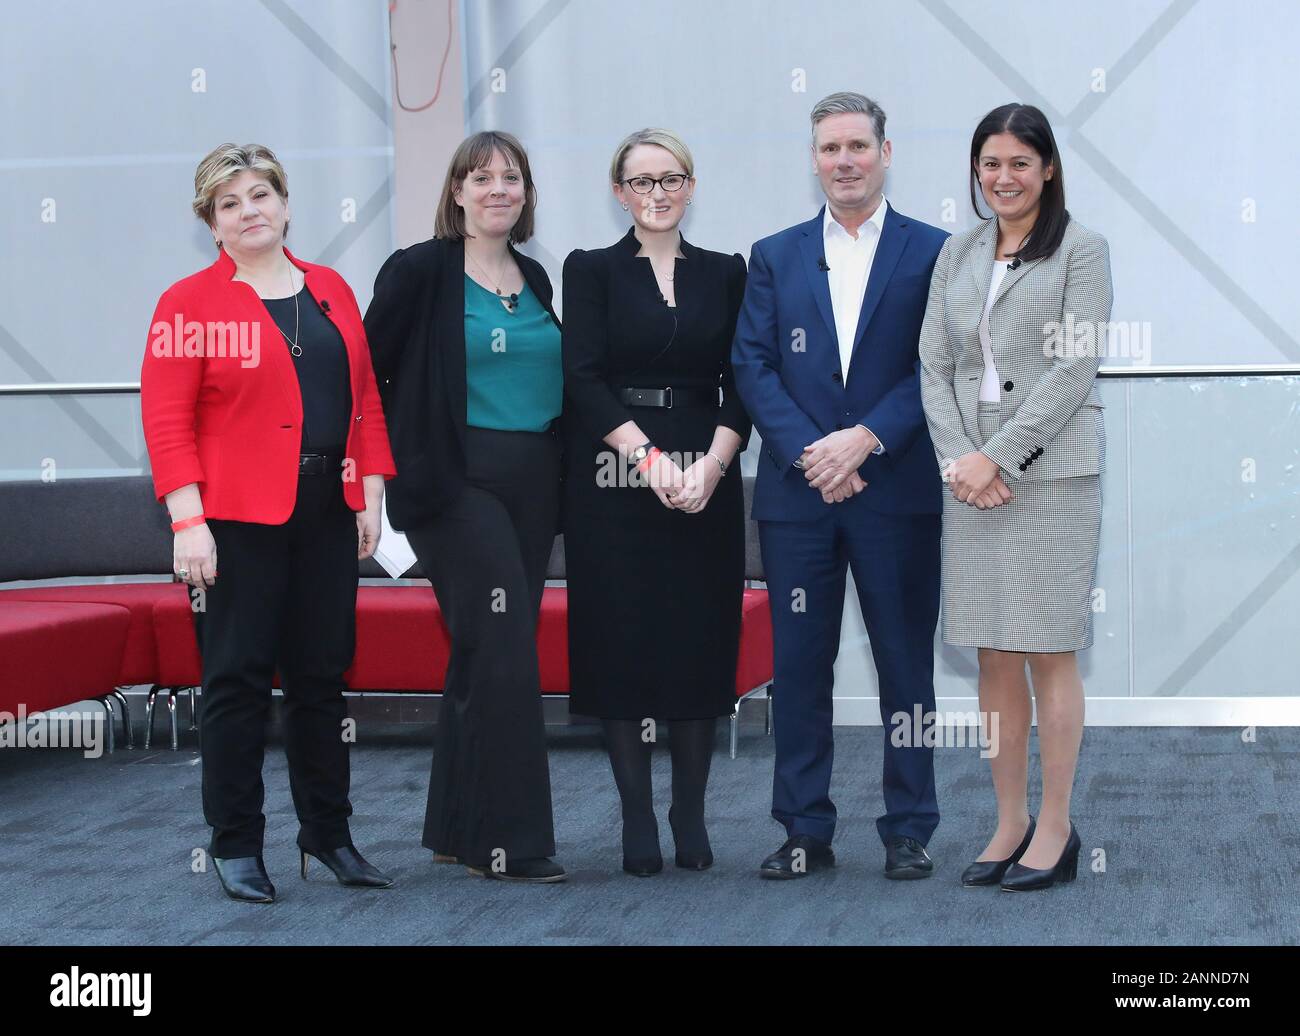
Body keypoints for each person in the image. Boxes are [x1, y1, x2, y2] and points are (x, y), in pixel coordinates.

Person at [141, 143, 397, 904]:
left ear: (286, 204)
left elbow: (365, 400)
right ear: (210, 223)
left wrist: (371, 491)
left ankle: (328, 836)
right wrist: (188, 520)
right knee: (237, 682)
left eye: (261, 195)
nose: (249, 210)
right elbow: (165, 419)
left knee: (322, 679)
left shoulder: (331, 289)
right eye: (230, 203)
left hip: (326, 513)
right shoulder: (186, 304)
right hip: (232, 522)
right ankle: (236, 844)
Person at [731, 92, 948, 881]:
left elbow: (939, 366)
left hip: (896, 491)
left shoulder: (935, 251)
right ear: (814, 159)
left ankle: (910, 826)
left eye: (858, 145)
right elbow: (752, 364)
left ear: (886, 153)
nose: (845, 160)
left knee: (906, 667)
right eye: (830, 148)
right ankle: (803, 828)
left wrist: (865, 438)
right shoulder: (775, 254)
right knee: (799, 668)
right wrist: (811, 453)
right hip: (799, 499)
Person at [363, 132, 566, 883]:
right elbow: (364, 376)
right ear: (456, 192)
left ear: (526, 193)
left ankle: (454, 825)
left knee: (482, 650)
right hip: (454, 487)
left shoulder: (537, 277)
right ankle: (513, 841)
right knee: (508, 646)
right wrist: (373, 479)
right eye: (480, 178)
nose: (497, 190)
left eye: (510, 178)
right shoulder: (418, 272)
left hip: (535, 486)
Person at [919, 103, 1111, 892]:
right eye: (990, 164)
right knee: (993, 650)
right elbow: (932, 365)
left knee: (1047, 647)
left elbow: (1074, 369)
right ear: (976, 171)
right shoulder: (957, 252)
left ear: (1048, 169)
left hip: (1051, 470)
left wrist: (997, 456)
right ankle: (1009, 821)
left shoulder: (1083, 250)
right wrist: (961, 460)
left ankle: (1057, 827)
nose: (1003, 178)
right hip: (969, 477)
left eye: (1019, 164)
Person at [562, 129, 750, 875]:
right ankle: (637, 816)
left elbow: (748, 379)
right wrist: (646, 460)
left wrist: (709, 464)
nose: (658, 193)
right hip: (614, 474)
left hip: (709, 468)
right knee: (621, 641)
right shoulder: (591, 271)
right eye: (641, 182)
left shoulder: (726, 272)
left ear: (691, 185)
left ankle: (689, 812)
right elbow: (582, 377)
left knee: (697, 639)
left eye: (671, 178)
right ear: (619, 193)